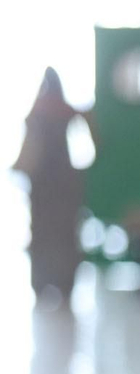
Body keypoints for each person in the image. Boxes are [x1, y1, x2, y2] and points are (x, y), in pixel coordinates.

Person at [12, 68, 90, 307]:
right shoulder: (65, 110)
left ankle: (43, 282)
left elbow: (29, 146)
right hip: (64, 179)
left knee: (44, 232)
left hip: (43, 181)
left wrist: (21, 167)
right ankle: (65, 283)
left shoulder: (39, 110)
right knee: (65, 233)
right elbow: (95, 135)